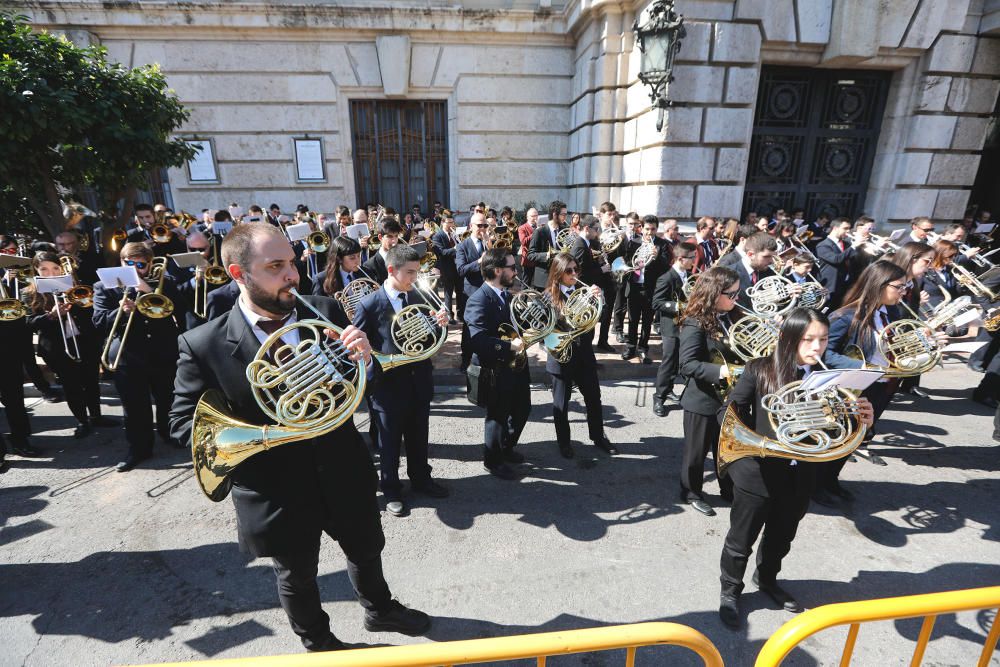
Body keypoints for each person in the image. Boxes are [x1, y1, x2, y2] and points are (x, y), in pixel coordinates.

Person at [168, 222, 431, 652]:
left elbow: (368, 381)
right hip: (275, 484)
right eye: (275, 266)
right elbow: (183, 425)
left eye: (291, 262)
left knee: (366, 548)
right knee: (296, 574)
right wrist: (260, 433)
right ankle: (318, 643)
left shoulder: (323, 308)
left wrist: (366, 361)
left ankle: (379, 610)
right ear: (239, 274)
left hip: (342, 464)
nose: (292, 274)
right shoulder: (203, 343)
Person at [717, 308, 874, 628]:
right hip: (758, 472)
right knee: (740, 539)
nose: (817, 347)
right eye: (809, 340)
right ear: (789, 339)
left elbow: (835, 432)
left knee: (782, 535)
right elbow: (728, 413)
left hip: (801, 474)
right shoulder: (759, 369)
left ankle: (767, 579)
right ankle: (730, 591)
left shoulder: (832, 378)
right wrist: (749, 451)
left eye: (824, 339)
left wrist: (862, 421)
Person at [819, 261, 945, 504]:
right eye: (899, 286)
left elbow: (895, 346)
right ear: (879, 285)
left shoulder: (892, 312)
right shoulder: (845, 316)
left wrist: (926, 344)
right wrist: (864, 367)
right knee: (839, 436)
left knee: (857, 436)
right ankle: (816, 485)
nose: (904, 291)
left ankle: (830, 480)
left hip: (883, 385)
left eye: (906, 286)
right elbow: (825, 353)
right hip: (855, 386)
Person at [353, 244, 450, 516]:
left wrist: (439, 324)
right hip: (388, 387)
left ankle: (421, 480)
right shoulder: (370, 304)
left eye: (417, 272)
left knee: (419, 437)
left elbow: (428, 338)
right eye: (409, 272)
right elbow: (359, 347)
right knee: (389, 444)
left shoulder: (418, 294)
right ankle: (391, 490)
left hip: (419, 380)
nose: (414, 278)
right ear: (391, 270)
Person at [93, 242, 184, 472]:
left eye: (140, 265)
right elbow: (98, 321)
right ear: (121, 263)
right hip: (127, 355)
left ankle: (170, 433)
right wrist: (120, 311)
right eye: (128, 263)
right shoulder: (103, 287)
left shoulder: (166, 282)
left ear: (150, 264)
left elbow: (178, 310)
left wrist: (149, 292)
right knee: (134, 407)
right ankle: (139, 449)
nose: (134, 269)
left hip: (162, 351)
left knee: (167, 399)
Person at [26, 252, 116, 438]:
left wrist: (75, 301)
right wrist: (50, 315)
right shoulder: (29, 293)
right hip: (57, 348)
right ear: (36, 270)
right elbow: (30, 322)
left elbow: (93, 312)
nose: (50, 273)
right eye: (44, 269)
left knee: (91, 381)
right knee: (71, 385)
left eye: (55, 268)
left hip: (85, 342)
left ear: (63, 268)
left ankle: (96, 416)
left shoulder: (77, 287)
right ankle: (82, 421)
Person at [678, 266, 740, 516]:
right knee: (696, 454)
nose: (736, 299)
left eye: (737, 293)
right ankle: (691, 492)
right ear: (715, 293)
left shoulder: (733, 316)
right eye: (732, 294)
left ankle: (728, 489)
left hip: (729, 398)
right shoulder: (695, 323)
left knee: (725, 450)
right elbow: (688, 364)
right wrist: (726, 373)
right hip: (702, 400)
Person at [543, 253, 617, 459]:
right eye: (569, 271)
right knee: (561, 404)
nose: (574, 274)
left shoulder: (585, 292)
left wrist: (599, 299)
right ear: (558, 273)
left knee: (594, 398)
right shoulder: (548, 296)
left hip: (584, 355)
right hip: (561, 358)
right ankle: (564, 443)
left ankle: (598, 437)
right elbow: (544, 333)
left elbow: (600, 317)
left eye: (576, 270)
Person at [465, 248, 531, 480]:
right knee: (497, 416)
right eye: (512, 268)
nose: (516, 271)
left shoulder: (507, 295)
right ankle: (492, 461)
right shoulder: (478, 299)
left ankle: (505, 447)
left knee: (523, 409)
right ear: (497, 271)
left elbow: (519, 325)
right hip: (496, 369)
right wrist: (509, 347)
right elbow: (479, 340)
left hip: (517, 366)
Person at [651, 242, 696, 416]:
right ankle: (659, 397)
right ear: (680, 259)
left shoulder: (688, 274)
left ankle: (668, 390)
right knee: (668, 362)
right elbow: (657, 302)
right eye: (691, 258)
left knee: (677, 361)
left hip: (685, 325)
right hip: (671, 326)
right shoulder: (667, 278)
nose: (693, 261)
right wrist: (680, 306)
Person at [889, 242, 936, 399]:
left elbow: (911, 314)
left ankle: (909, 384)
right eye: (927, 261)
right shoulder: (890, 281)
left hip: (902, 339)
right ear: (911, 259)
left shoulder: (913, 283)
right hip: (886, 340)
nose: (930, 266)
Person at [621, 215, 670, 363]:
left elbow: (666, 267)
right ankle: (630, 347)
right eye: (647, 229)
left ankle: (643, 348)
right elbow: (627, 262)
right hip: (635, 286)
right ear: (641, 228)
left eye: (653, 229)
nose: (650, 232)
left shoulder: (662, 245)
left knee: (647, 321)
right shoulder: (633, 242)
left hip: (651, 288)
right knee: (632, 319)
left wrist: (656, 257)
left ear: (657, 229)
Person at [455, 212, 491, 371]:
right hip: (471, 292)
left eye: (485, 225)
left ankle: (485, 355)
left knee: (488, 324)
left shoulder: (487, 243)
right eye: (479, 225)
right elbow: (461, 270)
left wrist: (491, 250)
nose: (483, 229)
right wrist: (479, 261)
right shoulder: (463, 246)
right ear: (471, 226)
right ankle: (465, 358)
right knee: (469, 327)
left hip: (488, 290)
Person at [730, 232, 778, 313]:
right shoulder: (729, 274)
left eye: (772, 256)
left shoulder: (769, 273)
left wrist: (788, 295)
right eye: (766, 256)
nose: (771, 261)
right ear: (750, 254)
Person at [526, 200, 568, 290]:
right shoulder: (539, 232)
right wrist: (547, 255)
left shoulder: (565, 231)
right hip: (544, 280)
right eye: (563, 214)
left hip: (561, 278)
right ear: (554, 214)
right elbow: (530, 255)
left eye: (566, 214)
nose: (565, 217)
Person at [815, 217, 855, 309]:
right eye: (845, 228)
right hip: (830, 287)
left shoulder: (846, 244)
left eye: (849, 228)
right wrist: (854, 246)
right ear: (835, 228)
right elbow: (836, 259)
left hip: (844, 285)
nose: (848, 231)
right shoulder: (823, 245)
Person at [431, 212, 460, 324]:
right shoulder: (438, 236)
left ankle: (460, 314)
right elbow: (441, 252)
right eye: (449, 222)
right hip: (447, 268)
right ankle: (449, 316)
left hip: (458, 266)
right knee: (448, 293)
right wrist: (455, 249)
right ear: (443, 222)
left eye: (452, 222)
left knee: (460, 292)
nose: (451, 225)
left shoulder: (454, 234)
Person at [362, 217, 403, 284]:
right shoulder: (369, 266)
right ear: (380, 237)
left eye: (396, 236)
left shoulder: (403, 258)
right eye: (390, 236)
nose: (394, 241)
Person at [517, 207, 539, 284]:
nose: (535, 218)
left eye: (536, 215)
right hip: (528, 259)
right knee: (526, 282)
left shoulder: (540, 227)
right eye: (532, 216)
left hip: (539, 259)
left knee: (538, 282)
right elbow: (523, 242)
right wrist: (536, 232)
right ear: (527, 217)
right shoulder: (522, 228)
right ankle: (523, 296)